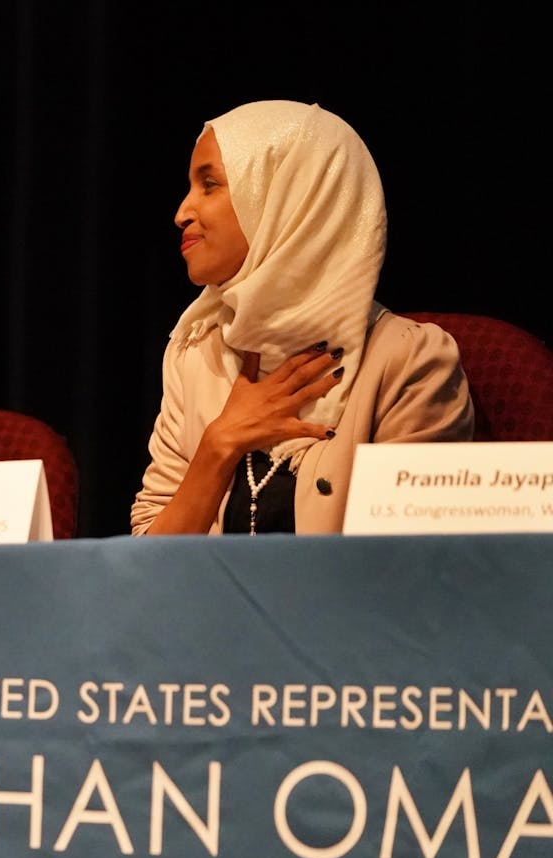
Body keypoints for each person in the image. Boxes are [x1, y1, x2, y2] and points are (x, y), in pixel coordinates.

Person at [132, 100, 473, 535]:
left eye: (210, 184)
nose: (182, 212)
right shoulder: (193, 356)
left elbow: (405, 573)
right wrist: (219, 445)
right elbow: (150, 557)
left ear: (287, 198)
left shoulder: (407, 362)